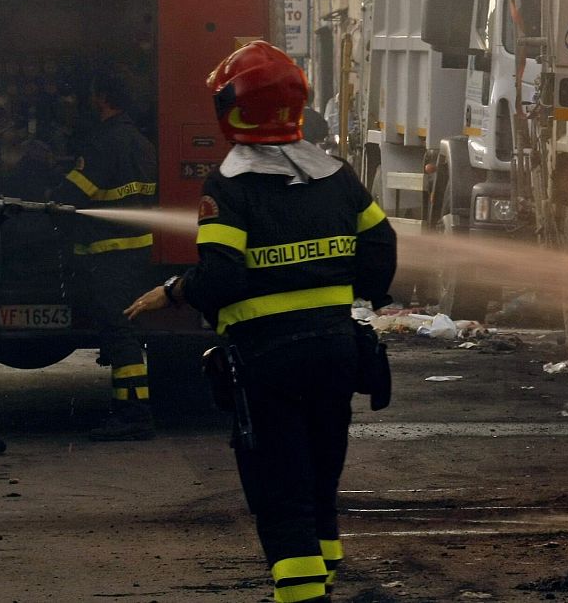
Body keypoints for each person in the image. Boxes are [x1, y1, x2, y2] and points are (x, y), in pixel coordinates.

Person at [127, 41, 396, 603]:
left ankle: (301, 593)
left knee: (279, 486)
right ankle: (322, 577)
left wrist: (175, 291)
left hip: (268, 359)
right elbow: (380, 247)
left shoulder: (229, 186)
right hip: (336, 351)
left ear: (233, 108)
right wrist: (344, 290)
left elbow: (222, 277)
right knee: (321, 472)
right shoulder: (336, 176)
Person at [50, 71, 158, 440]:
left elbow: (74, 193)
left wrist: (50, 201)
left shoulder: (103, 143)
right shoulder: (141, 143)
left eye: (94, 94)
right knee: (123, 327)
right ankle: (131, 410)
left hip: (109, 253)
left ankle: (134, 414)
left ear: (103, 97)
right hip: (137, 249)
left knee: (119, 330)